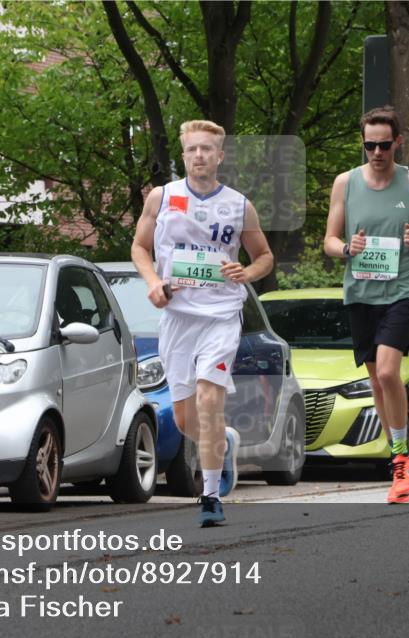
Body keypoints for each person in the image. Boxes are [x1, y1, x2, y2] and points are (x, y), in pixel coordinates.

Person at [131, 120, 274, 526]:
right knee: (185, 420)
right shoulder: (162, 197)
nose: (199, 155)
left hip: (221, 315)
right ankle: (221, 440)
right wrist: (153, 282)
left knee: (210, 400)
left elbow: (264, 257)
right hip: (178, 317)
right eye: (193, 149)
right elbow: (139, 247)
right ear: (183, 155)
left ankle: (210, 497)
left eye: (207, 149)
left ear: (220, 156)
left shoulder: (239, 205)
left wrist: (246, 272)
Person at [323, 106, 409, 503]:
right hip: (361, 293)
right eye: (370, 145)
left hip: (403, 290)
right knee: (377, 380)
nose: (377, 152)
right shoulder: (346, 183)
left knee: (390, 371)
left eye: (384, 145)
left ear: (398, 143)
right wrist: (347, 248)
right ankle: (401, 457)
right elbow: (329, 240)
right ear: (363, 144)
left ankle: (400, 460)